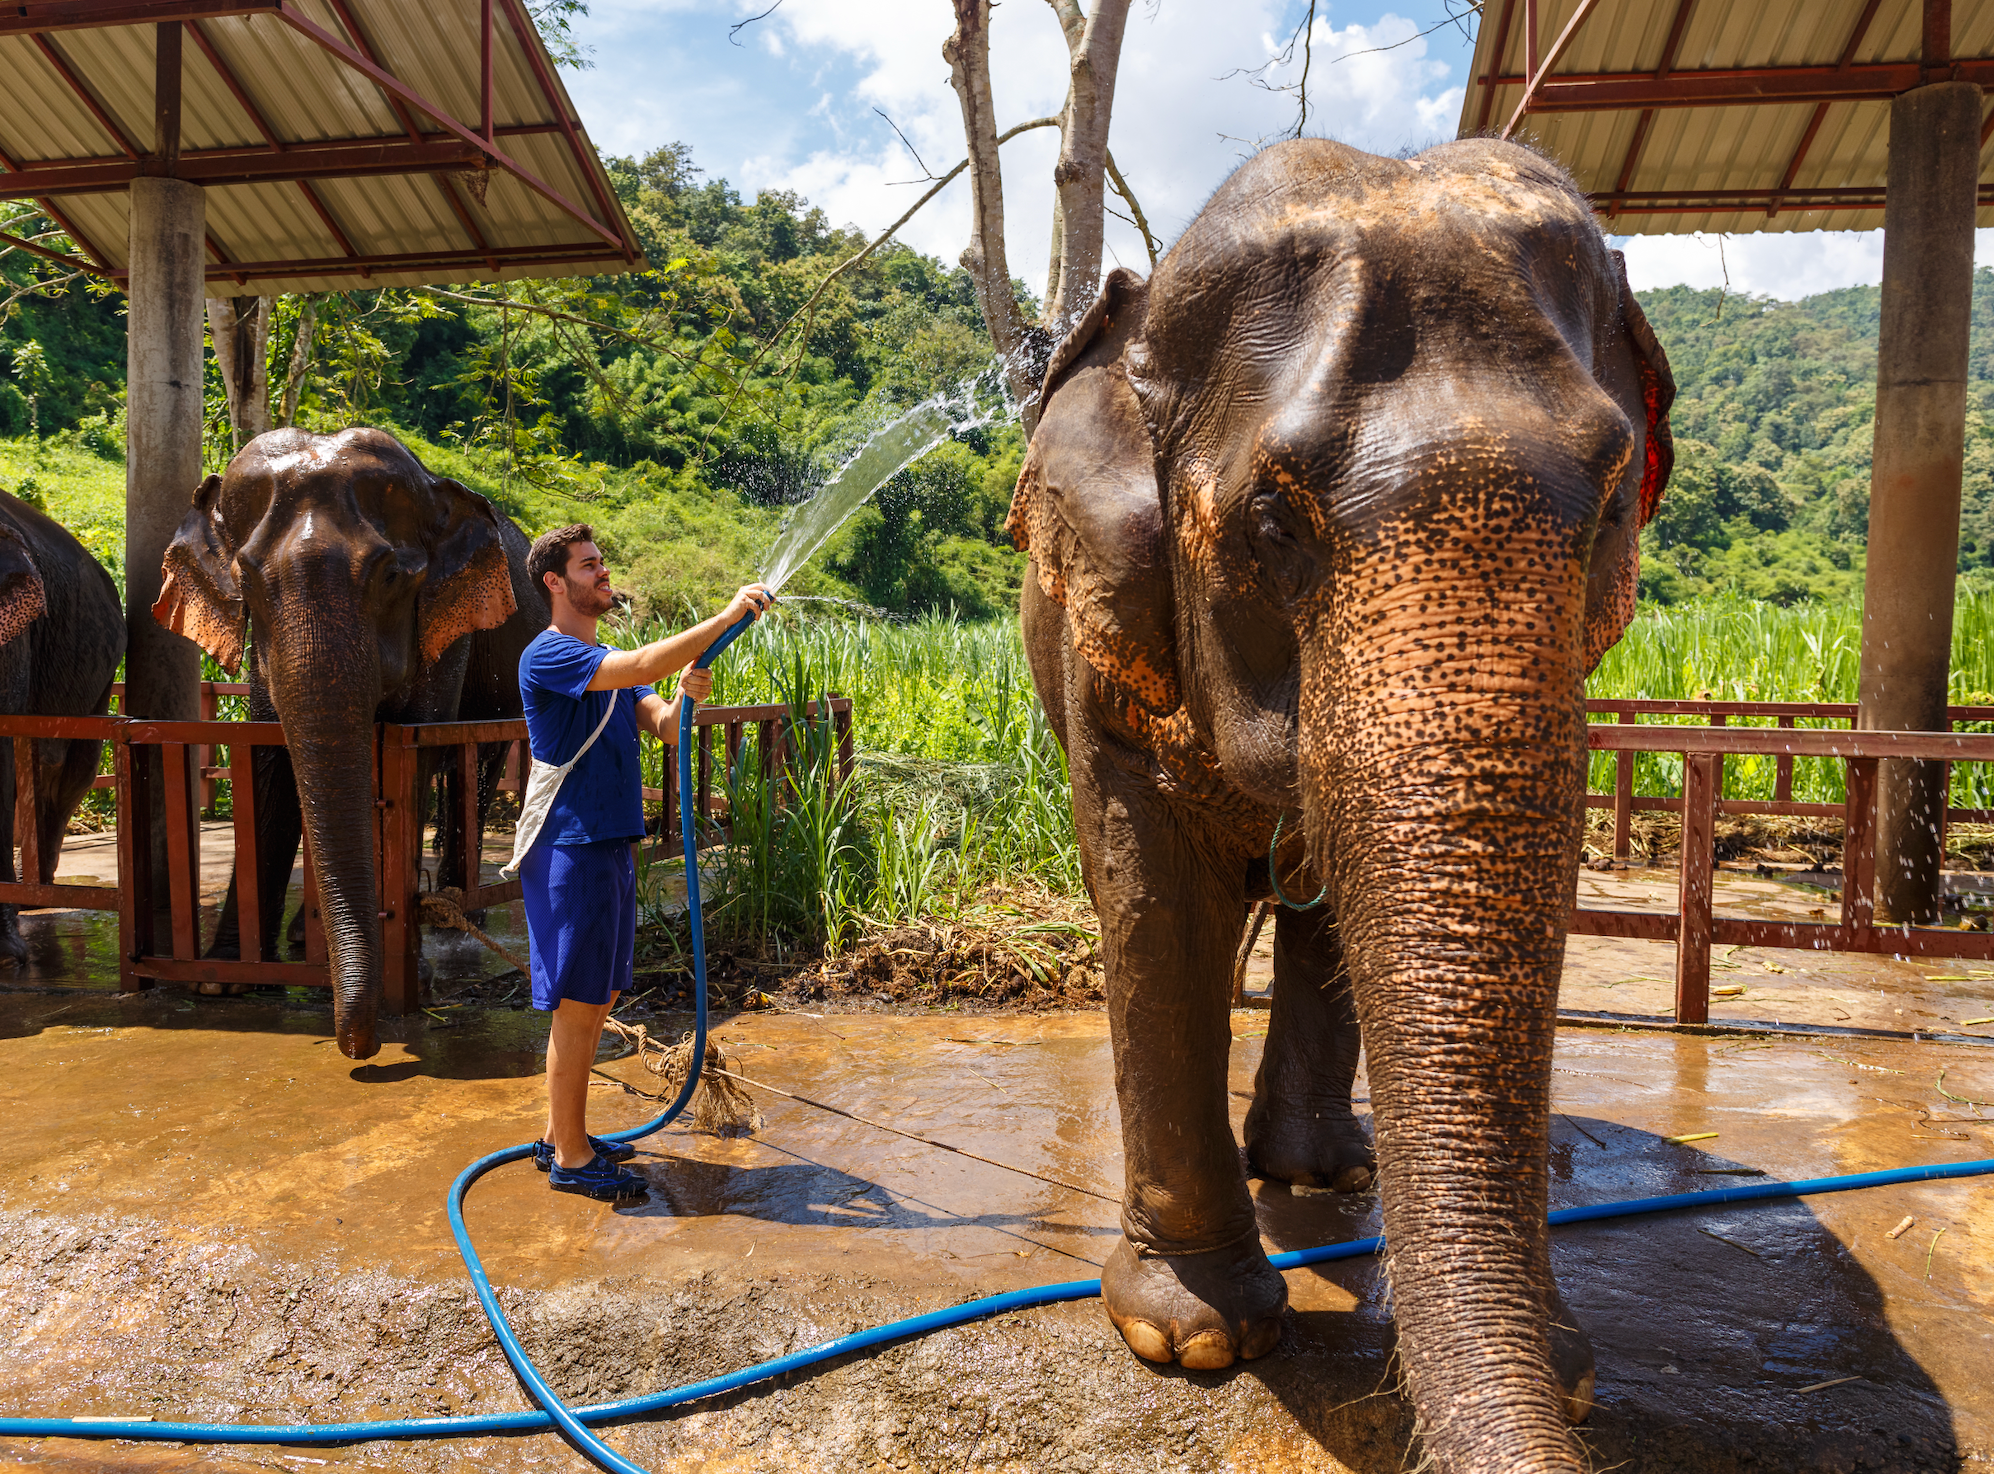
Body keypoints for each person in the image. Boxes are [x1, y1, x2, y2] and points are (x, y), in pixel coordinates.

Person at [517, 522, 771, 1201]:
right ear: (554, 582)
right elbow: (638, 669)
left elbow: (658, 718)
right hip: (570, 847)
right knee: (577, 1005)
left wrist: (687, 698)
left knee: (598, 998)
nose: (603, 574)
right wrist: (721, 618)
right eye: (588, 565)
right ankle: (571, 1158)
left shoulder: (607, 663)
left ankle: (557, 1136)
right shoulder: (550, 656)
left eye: (602, 563)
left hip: (608, 844)